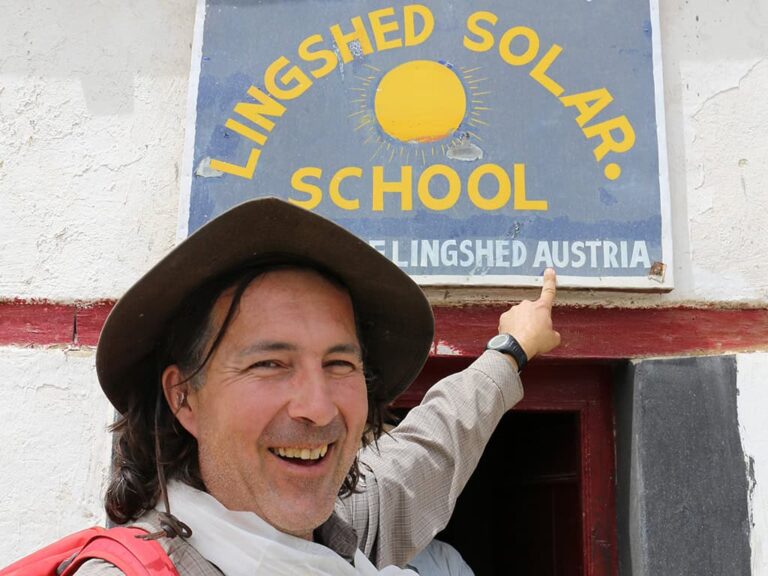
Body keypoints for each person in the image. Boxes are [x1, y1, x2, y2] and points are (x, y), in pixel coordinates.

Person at [76, 198, 560, 574]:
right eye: (269, 364)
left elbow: (433, 443)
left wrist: (511, 350)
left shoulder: (342, 534)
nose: (319, 407)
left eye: (338, 363)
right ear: (184, 397)